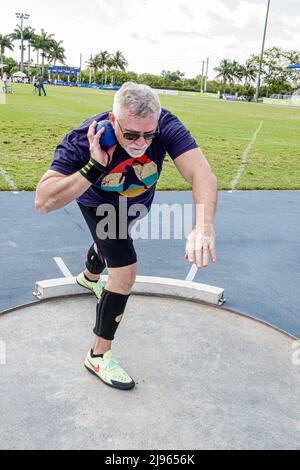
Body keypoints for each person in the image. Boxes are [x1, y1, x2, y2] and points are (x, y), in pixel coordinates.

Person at [35, 82, 218, 391]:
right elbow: (43, 200)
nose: (141, 143)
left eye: (149, 134)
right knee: (124, 270)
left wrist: (203, 225)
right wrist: (94, 167)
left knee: (107, 242)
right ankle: (98, 354)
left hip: (135, 203)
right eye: (131, 134)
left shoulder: (167, 126)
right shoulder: (85, 138)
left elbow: (202, 173)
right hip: (100, 205)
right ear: (113, 120)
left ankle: (90, 277)